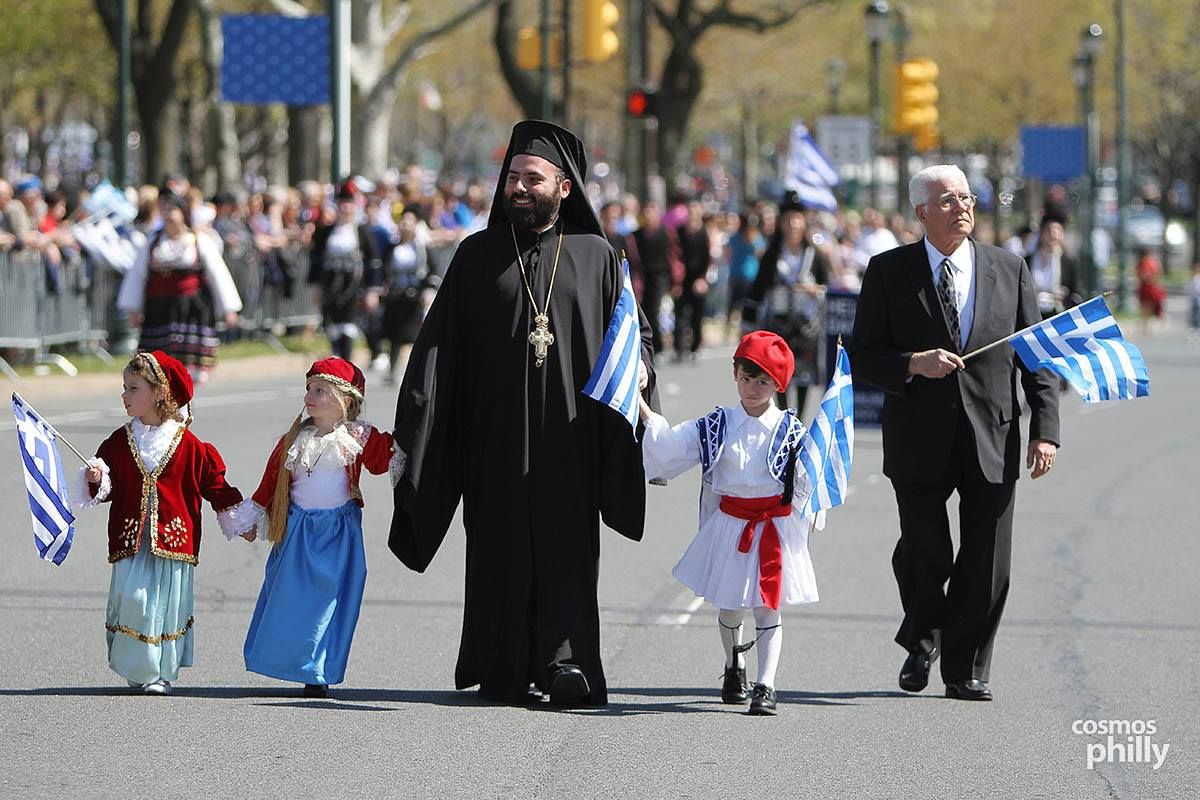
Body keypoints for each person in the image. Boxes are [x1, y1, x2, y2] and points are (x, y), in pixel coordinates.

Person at [389, 119, 656, 707]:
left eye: (532, 178)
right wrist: (416, 426)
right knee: (497, 549)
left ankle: (566, 665)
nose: (518, 187)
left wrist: (640, 375)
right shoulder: (476, 256)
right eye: (512, 177)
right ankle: (503, 664)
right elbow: (437, 352)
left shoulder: (597, 259)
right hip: (494, 442)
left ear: (564, 188)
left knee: (567, 551)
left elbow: (630, 343)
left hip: (571, 440)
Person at [848, 164, 1060, 701]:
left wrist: (1046, 431)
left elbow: (1037, 359)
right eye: (947, 200)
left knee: (988, 557)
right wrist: (913, 363)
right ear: (921, 211)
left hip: (994, 431)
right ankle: (924, 637)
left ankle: (964, 668)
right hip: (918, 435)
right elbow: (863, 357)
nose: (962, 207)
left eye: (966, 197)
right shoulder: (888, 271)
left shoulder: (1008, 269)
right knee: (926, 552)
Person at [640, 331, 820, 716]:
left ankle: (766, 684)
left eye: (763, 380)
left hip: (774, 527)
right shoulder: (716, 425)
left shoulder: (792, 431)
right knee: (732, 608)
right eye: (745, 376)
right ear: (733, 373)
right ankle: (733, 665)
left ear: (778, 384)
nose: (752, 387)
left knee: (769, 606)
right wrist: (642, 409)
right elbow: (671, 447)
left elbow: (811, 480)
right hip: (731, 525)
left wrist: (818, 479)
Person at [75, 351, 252, 694]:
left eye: (133, 388)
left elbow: (214, 485)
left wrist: (239, 519)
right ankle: (138, 664)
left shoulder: (190, 445)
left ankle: (159, 672)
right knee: (134, 600)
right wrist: (98, 477)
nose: (124, 396)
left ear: (159, 393)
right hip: (132, 540)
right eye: (124, 388)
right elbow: (107, 486)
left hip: (173, 544)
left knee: (163, 606)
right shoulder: (119, 441)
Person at [238, 358, 401, 698]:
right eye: (309, 389)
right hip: (297, 533)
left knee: (329, 603)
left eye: (321, 391)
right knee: (289, 599)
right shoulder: (294, 439)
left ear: (347, 400)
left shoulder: (358, 436)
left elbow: (382, 459)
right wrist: (250, 518)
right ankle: (287, 660)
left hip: (338, 534)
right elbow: (270, 483)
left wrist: (412, 436)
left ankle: (317, 670)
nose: (309, 396)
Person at [117, 193, 243, 383]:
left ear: (183, 213)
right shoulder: (153, 243)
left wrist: (229, 309)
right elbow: (137, 276)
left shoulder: (198, 240)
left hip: (190, 308)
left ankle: (183, 400)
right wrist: (133, 309)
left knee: (186, 366)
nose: (168, 215)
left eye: (172, 211)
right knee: (157, 367)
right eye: (165, 211)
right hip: (159, 309)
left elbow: (218, 274)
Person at [744, 191, 830, 416]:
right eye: (788, 219)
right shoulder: (772, 255)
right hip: (778, 322)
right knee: (778, 372)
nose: (793, 224)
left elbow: (828, 287)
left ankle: (799, 417)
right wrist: (748, 323)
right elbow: (758, 289)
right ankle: (783, 413)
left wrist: (814, 290)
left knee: (803, 375)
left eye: (797, 219)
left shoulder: (815, 255)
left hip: (806, 323)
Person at [308, 180, 383, 361]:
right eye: (343, 205)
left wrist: (372, 290)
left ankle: (346, 363)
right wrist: (315, 286)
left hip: (354, 284)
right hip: (330, 282)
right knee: (331, 323)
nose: (346, 209)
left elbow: (373, 262)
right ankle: (336, 358)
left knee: (348, 325)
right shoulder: (326, 232)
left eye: (349, 205)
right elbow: (316, 259)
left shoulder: (362, 232)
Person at [1025, 216, 1081, 320]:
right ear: (1042, 233)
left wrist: (1062, 297)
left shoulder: (1068, 261)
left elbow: (1075, 292)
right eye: (1049, 231)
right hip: (1032, 315)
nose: (1053, 235)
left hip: (1058, 315)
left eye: (1058, 231)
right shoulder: (1028, 260)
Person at [1135, 247, 1167, 331]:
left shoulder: (1146, 262)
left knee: (1147, 306)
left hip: (1149, 287)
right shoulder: (1152, 262)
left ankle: (1146, 325)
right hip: (1150, 286)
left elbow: (1143, 274)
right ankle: (1146, 324)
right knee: (1148, 306)